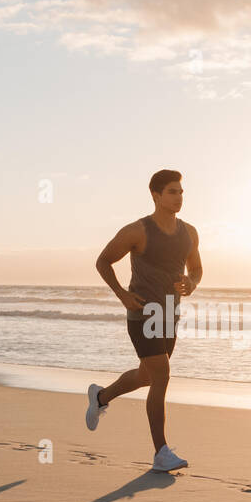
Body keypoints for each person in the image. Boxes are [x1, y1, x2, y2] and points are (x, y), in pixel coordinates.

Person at [87, 169, 201, 472]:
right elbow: (103, 261)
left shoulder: (189, 232)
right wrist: (122, 295)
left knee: (146, 377)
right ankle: (160, 453)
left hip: (169, 314)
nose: (179, 197)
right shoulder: (137, 231)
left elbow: (197, 269)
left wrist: (192, 283)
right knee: (162, 375)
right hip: (143, 314)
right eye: (172, 192)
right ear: (156, 196)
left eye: (181, 192)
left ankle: (100, 397)